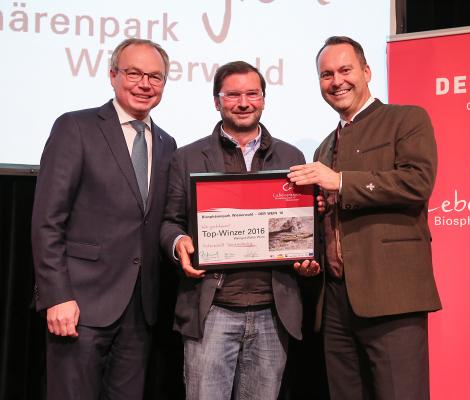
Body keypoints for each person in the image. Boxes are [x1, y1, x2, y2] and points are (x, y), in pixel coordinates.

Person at [288, 36, 442, 399]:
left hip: (391, 293)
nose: (336, 81)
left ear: (367, 71)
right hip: (337, 300)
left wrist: (339, 182)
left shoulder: (406, 118)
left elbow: (418, 183)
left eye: (345, 70)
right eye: (326, 74)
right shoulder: (324, 145)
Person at [160, 60, 318, 400]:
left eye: (252, 94)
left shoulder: (292, 157)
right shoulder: (187, 157)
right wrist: (178, 242)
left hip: (272, 312)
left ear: (263, 99)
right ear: (217, 101)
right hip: (213, 309)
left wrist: (307, 255)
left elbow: (301, 227)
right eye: (232, 95)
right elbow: (170, 221)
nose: (243, 102)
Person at [31, 38, 177, 400]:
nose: (145, 84)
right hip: (79, 305)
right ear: (113, 76)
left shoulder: (166, 143)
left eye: (155, 76)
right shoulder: (75, 127)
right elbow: (48, 220)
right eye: (134, 73)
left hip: (140, 311)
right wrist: (57, 295)